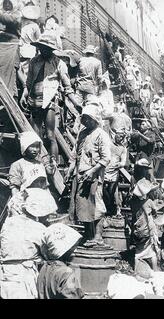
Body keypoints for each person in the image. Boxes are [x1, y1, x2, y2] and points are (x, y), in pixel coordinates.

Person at [20, 31, 81, 165]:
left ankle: (53, 162)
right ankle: (36, 162)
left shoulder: (59, 63)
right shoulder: (34, 61)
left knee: (50, 134)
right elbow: (29, 81)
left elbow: (67, 87)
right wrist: (24, 94)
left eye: (46, 49)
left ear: (51, 49)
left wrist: (76, 103)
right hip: (34, 100)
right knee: (35, 135)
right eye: (42, 48)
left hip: (49, 102)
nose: (44, 51)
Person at [0, 188, 56, 299]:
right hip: (24, 276)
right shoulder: (38, 229)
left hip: (5, 273)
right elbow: (47, 254)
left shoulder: (8, 223)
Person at [67, 104, 111, 244]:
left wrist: (92, 171)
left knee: (96, 204)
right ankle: (88, 234)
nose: (86, 121)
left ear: (95, 119)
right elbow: (75, 154)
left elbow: (106, 158)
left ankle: (97, 236)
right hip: (80, 173)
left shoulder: (101, 134)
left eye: (88, 118)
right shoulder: (82, 133)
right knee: (82, 204)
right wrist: (70, 171)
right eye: (84, 118)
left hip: (94, 175)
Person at [37, 224, 84, 299]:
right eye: (72, 248)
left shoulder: (44, 267)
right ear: (64, 251)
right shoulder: (67, 273)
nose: (75, 251)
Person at [8, 131, 54, 196]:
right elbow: (15, 188)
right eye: (32, 146)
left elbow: (45, 187)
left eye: (37, 146)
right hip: (26, 198)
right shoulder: (17, 165)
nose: (35, 149)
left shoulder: (40, 164)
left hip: (42, 199)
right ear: (25, 147)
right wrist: (17, 202)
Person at [129, 178, 160, 273]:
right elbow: (155, 211)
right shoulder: (149, 202)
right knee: (152, 252)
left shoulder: (133, 202)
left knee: (138, 252)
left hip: (137, 230)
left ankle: (137, 270)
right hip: (148, 230)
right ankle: (155, 271)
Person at [103, 128, 127, 216]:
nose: (120, 138)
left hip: (114, 172)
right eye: (119, 136)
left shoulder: (123, 148)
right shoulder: (108, 144)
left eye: (122, 137)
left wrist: (118, 165)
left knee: (111, 192)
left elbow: (123, 162)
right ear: (115, 135)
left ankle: (110, 210)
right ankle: (106, 209)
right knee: (103, 190)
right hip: (104, 170)